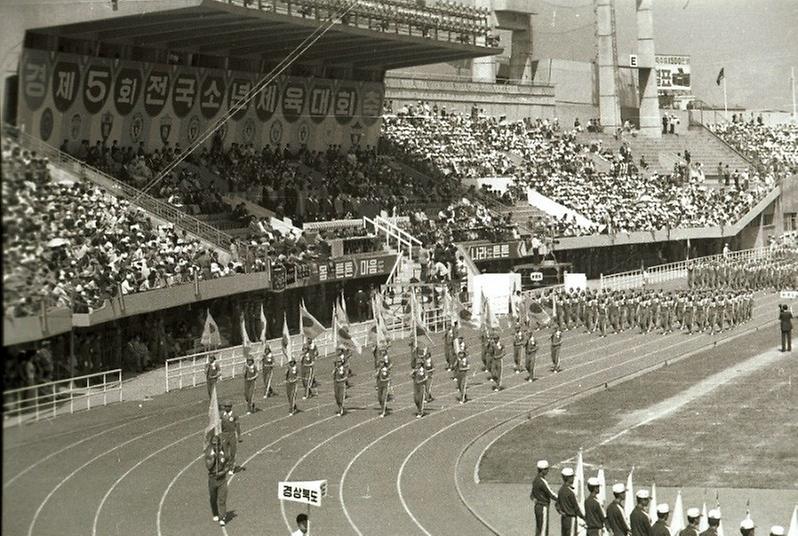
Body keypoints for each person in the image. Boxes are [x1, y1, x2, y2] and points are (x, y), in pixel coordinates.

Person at [205, 434, 229, 527]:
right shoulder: (208, 453)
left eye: (217, 444)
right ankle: (215, 513)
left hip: (222, 480)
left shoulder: (224, 453)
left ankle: (222, 517)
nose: (216, 446)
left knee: (222, 499)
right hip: (212, 479)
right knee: (213, 498)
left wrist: (222, 472)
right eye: (214, 444)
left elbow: (227, 466)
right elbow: (208, 466)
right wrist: (214, 458)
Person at [530, 460, 558, 536]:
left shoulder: (535, 480)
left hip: (537, 507)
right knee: (543, 529)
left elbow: (531, 496)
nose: (548, 471)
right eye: (547, 469)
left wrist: (537, 500)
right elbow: (551, 494)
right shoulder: (542, 481)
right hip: (543, 507)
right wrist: (561, 499)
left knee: (539, 528)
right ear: (543, 470)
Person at [556, 467, 584, 536]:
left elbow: (557, 505)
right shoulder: (570, 492)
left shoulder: (561, 490)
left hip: (564, 519)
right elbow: (576, 508)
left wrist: (561, 512)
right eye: (572, 477)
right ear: (569, 478)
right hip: (571, 518)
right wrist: (584, 518)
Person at [220, 401, 241, 475]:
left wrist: (239, 436)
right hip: (224, 435)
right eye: (225, 406)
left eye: (228, 406)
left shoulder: (234, 415)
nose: (226, 408)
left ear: (231, 407)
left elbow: (237, 426)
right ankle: (226, 466)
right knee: (225, 454)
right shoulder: (222, 414)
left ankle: (231, 467)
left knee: (232, 452)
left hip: (232, 435)